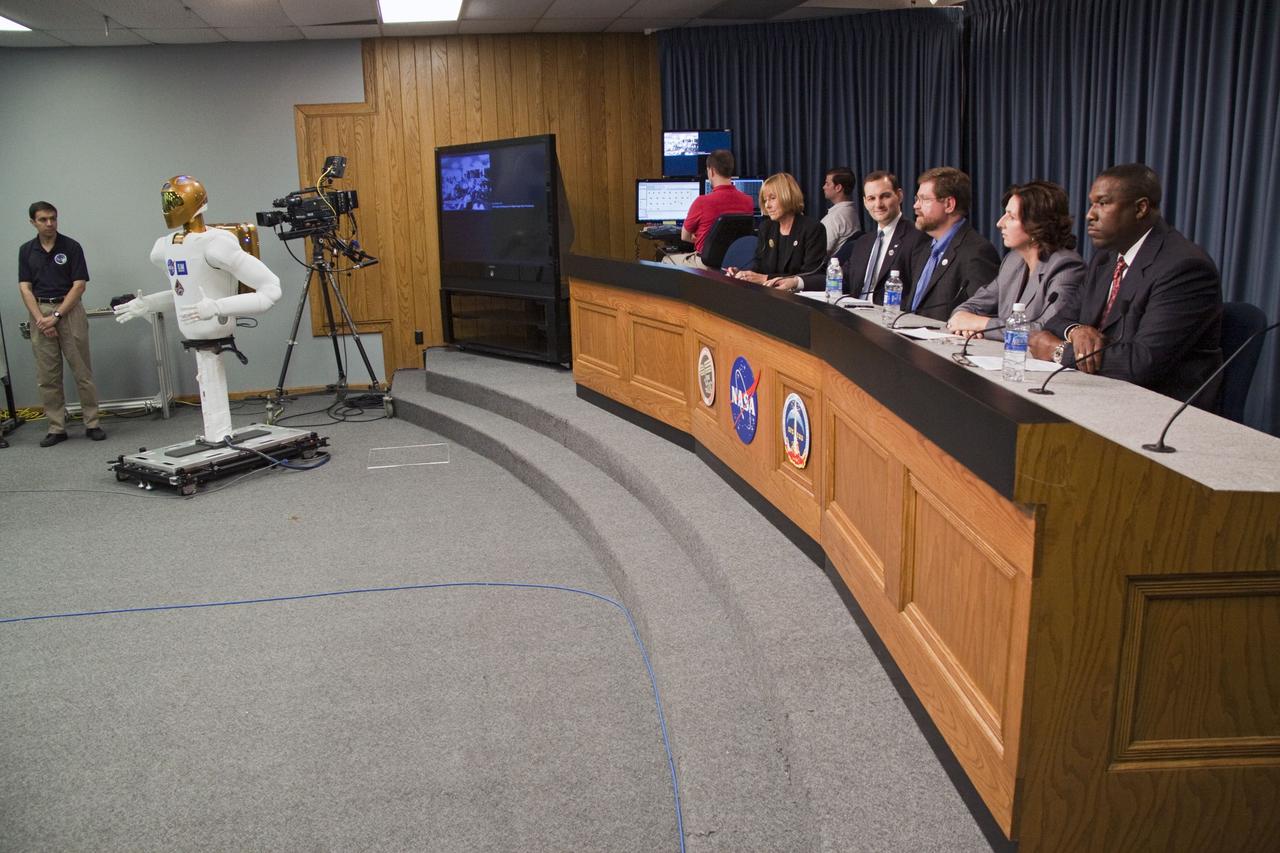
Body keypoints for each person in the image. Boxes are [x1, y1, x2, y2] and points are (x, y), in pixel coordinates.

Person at [1029, 164, 1223, 402]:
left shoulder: (1185, 268)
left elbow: (1141, 363)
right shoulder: (1107, 259)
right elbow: (1059, 319)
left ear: (1140, 208)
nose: (1090, 214)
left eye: (1103, 203)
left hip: (1159, 409)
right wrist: (1077, 330)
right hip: (1100, 393)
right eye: (1092, 204)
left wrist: (1058, 351)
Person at [114, 175, 282, 442]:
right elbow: (183, 294)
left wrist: (217, 306)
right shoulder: (164, 247)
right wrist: (147, 304)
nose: (168, 206)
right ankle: (216, 438)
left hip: (214, 326)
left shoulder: (217, 245)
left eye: (174, 200)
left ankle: (221, 438)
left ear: (193, 202)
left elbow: (271, 289)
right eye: (165, 200)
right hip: (194, 330)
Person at [948, 181, 1083, 339]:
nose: (1000, 223)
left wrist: (980, 325)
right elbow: (970, 307)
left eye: (1011, 217)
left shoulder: (1066, 267)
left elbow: (1047, 330)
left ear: (1036, 225)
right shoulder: (1012, 261)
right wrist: (962, 319)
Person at [18, 201, 105, 446]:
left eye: (53, 218)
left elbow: (79, 285)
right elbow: (25, 287)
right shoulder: (27, 251)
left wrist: (56, 317)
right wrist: (40, 319)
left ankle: (92, 423)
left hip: (69, 309)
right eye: (43, 219)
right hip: (40, 310)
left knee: (82, 371)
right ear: (33, 222)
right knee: (48, 376)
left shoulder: (71, 247)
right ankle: (57, 427)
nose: (49, 223)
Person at [903, 167, 1000, 320]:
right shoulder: (927, 249)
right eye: (917, 199)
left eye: (924, 199)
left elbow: (982, 316)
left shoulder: (977, 253)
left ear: (949, 204)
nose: (916, 206)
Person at [725, 172, 827, 292]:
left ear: (788, 196)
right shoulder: (766, 227)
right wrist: (743, 274)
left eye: (772, 198)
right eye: (765, 200)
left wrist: (765, 278)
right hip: (768, 295)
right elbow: (759, 266)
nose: (767, 205)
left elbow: (810, 275)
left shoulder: (812, 229)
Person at [841, 170, 927, 302]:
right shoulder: (863, 242)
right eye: (871, 198)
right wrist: (799, 282)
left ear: (899, 196)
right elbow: (841, 279)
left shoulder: (918, 237)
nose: (878, 205)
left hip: (888, 318)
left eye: (885, 196)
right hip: (854, 316)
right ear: (865, 202)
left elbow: (918, 294)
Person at [662, 149, 754, 269]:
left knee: (665, 259)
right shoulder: (748, 201)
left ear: (711, 171)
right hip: (734, 264)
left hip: (706, 264)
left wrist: (708, 242)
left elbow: (685, 236)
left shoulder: (702, 202)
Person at [820, 166, 862, 256]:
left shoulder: (834, 218)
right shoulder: (852, 212)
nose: (823, 187)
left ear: (838, 187)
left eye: (827, 184)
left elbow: (818, 253)